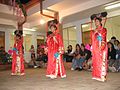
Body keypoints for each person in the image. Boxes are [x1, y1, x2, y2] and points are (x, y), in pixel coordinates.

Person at [91, 16, 108, 82]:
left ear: (100, 22)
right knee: (96, 61)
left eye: (97, 21)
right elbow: (93, 39)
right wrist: (94, 33)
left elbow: (103, 38)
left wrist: (101, 47)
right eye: (95, 22)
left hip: (101, 47)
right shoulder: (94, 30)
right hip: (95, 48)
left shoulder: (104, 29)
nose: (96, 23)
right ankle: (96, 75)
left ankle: (102, 76)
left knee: (101, 62)